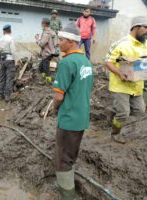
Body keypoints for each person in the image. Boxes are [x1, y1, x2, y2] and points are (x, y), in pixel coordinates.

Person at [52, 22, 93, 199]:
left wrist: (55, 108)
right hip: (81, 117)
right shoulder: (86, 61)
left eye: (60, 40)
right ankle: (68, 179)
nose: (58, 43)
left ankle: (67, 193)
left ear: (70, 41)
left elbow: (59, 96)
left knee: (62, 158)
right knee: (71, 152)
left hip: (68, 118)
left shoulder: (66, 62)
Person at [105, 16, 147, 144]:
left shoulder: (146, 43)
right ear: (136, 27)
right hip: (121, 84)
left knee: (139, 110)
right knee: (124, 113)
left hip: (137, 85)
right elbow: (108, 62)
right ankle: (115, 134)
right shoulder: (121, 43)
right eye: (145, 27)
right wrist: (119, 73)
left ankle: (114, 112)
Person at [0, 24, 17, 102]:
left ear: (3, 31)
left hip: (2, 60)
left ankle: (1, 93)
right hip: (9, 59)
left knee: (2, 77)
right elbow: (13, 51)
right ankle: (7, 96)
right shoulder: (11, 39)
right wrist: (16, 60)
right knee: (10, 78)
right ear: (10, 30)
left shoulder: (0, 40)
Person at [36, 18, 57, 84]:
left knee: (46, 69)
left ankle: (48, 81)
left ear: (44, 24)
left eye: (41, 23)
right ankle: (44, 78)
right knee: (41, 68)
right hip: (51, 52)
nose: (41, 25)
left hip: (47, 53)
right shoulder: (52, 32)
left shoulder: (46, 33)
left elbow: (41, 44)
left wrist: (37, 39)